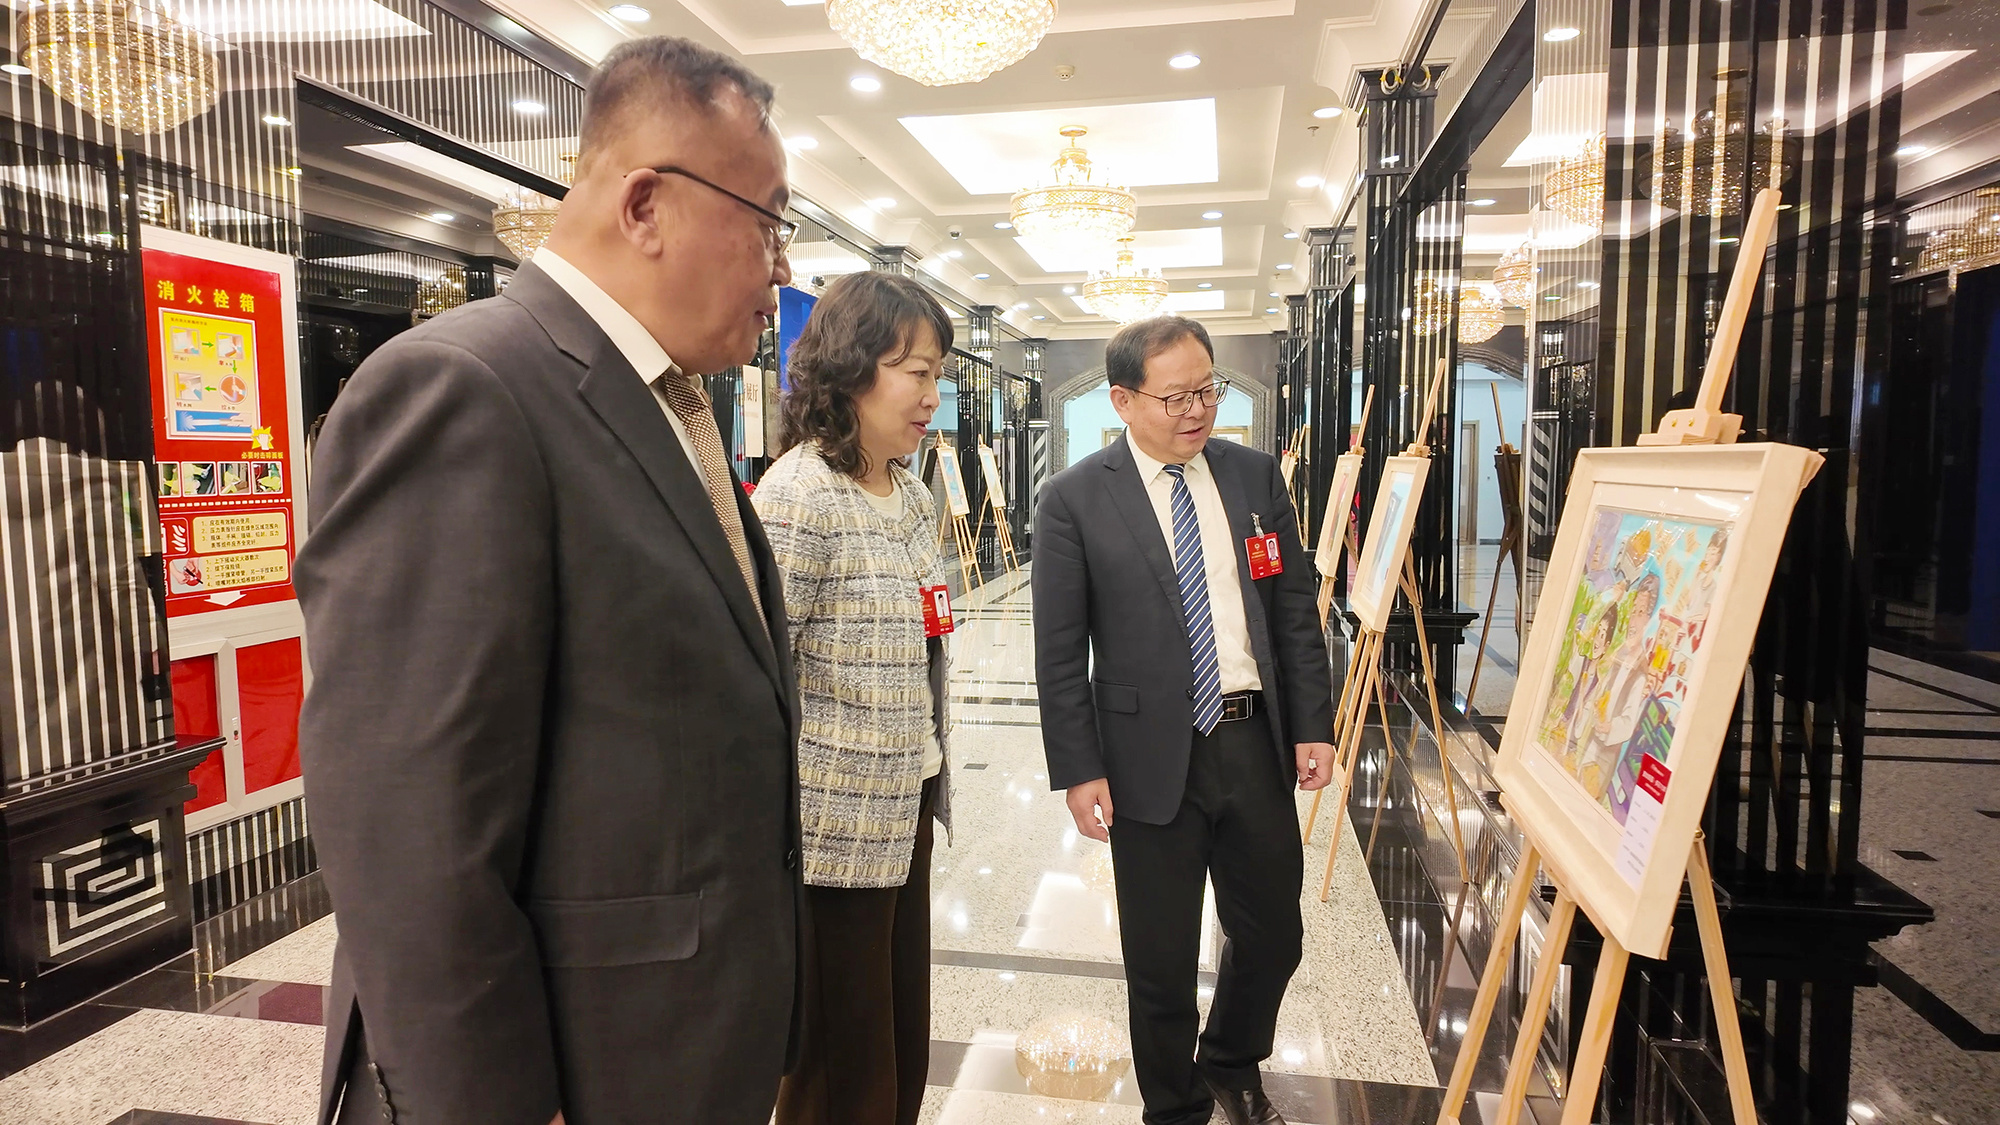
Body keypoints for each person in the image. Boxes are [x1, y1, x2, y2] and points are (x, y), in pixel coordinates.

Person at [295, 36, 800, 1125]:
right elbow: (409, 836)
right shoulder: (464, 388)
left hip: (677, 1047)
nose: (781, 270)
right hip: (565, 1074)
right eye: (767, 222)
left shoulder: (666, 404)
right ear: (645, 205)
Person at [1032, 316, 1336, 1125]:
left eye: (1208, 390)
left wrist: (1313, 721)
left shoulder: (1254, 477)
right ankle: (1173, 1106)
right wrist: (1079, 768)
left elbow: (1293, 610)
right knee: (1160, 960)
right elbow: (1058, 652)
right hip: (1145, 757)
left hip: (1253, 740)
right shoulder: (1073, 499)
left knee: (1273, 934)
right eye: (1176, 397)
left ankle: (1231, 1058)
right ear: (1123, 400)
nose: (1197, 410)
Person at [752, 270, 955, 1125]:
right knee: (841, 1065)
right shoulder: (800, 495)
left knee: (899, 1042)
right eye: (916, 372)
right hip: (830, 834)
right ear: (851, 367)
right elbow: (763, 679)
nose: (932, 396)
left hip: (905, 805)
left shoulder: (909, 490)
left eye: (937, 374)